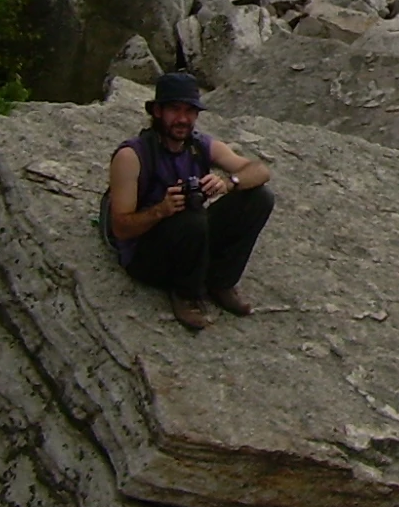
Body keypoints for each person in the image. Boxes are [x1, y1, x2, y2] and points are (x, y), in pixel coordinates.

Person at [105, 71, 274, 332]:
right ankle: (186, 294)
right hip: (146, 254)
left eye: (190, 111)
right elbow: (121, 228)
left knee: (259, 198)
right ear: (158, 112)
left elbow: (260, 171)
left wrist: (229, 183)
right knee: (192, 219)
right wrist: (161, 210)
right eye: (174, 110)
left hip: (187, 238)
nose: (182, 119)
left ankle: (220, 281)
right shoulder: (132, 156)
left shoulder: (200, 145)